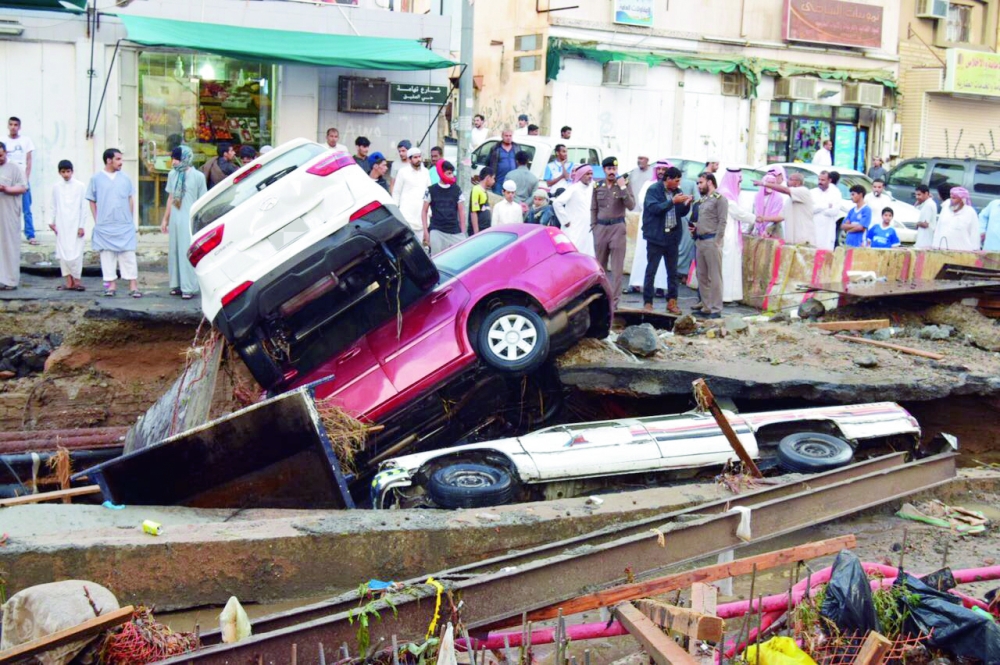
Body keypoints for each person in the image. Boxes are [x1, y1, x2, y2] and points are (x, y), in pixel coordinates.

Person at [87, 148, 140, 298]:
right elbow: (92, 200)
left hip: (124, 223)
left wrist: (130, 219)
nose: (121, 162)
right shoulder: (96, 179)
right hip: (105, 224)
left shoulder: (125, 178)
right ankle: (111, 285)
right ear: (109, 160)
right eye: (118, 159)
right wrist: (97, 220)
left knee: (128, 255)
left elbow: (130, 198)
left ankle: (133, 286)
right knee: (107, 255)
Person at [640, 163, 691, 313]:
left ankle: (672, 301)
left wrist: (686, 204)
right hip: (656, 237)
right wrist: (672, 202)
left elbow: (680, 212)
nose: (678, 184)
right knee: (652, 269)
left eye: (679, 181)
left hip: (672, 237)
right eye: (676, 181)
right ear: (667, 179)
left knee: (672, 272)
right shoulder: (654, 190)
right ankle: (648, 301)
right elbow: (654, 209)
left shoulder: (678, 191)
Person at [160, 145, 206, 298]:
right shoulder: (172, 175)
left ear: (186, 158)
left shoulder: (198, 176)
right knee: (174, 251)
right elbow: (171, 198)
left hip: (189, 218)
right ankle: (176, 284)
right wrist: (165, 219)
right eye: (173, 158)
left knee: (186, 251)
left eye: (177, 159)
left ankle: (189, 287)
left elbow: (202, 201)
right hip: (175, 217)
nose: (174, 162)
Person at [591, 156, 635, 309]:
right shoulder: (598, 185)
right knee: (600, 266)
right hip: (601, 228)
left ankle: (614, 302)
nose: (612, 172)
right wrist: (594, 226)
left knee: (617, 268)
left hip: (617, 227)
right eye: (609, 169)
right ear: (604, 170)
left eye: (614, 169)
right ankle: (600, 299)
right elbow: (594, 208)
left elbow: (631, 205)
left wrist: (623, 188)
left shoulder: (624, 184)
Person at [629, 160, 670, 294]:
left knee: (662, 256)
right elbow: (642, 202)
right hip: (648, 223)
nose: (661, 172)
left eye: (664, 169)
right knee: (642, 254)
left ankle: (659, 286)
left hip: (664, 225)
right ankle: (637, 283)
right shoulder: (648, 184)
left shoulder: (670, 187)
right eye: (659, 169)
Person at [691, 173, 728, 319]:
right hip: (700, 241)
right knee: (702, 276)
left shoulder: (720, 200)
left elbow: (722, 221)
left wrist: (717, 241)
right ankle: (706, 307)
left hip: (712, 241)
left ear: (710, 182)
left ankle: (716, 308)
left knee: (715, 276)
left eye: (701, 183)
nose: (699, 186)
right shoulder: (703, 200)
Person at [717, 168, 755, 304]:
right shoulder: (725, 195)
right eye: (738, 181)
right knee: (726, 266)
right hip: (726, 235)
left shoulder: (728, 194)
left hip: (730, 233)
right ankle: (724, 296)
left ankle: (729, 296)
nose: (739, 184)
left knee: (731, 265)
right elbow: (739, 213)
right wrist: (756, 218)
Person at [49, 159, 89, 291]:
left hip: (76, 224)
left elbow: (84, 207)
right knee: (63, 253)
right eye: (63, 172)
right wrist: (52, 222)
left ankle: (77, 282)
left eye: (68, 171)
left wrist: (82, 225)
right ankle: (69, 282)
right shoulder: (56, 187)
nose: (66, 174)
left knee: (76, 253)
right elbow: (53, 206)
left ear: (72, 171)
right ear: (59, 173)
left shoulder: (80, 186)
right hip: (62, 224)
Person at [755, 172, 816, 246]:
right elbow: (780, 217)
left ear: (797, 182)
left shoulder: (804, 191)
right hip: (791, 241)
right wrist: (763, 218)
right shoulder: (789, 200)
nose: (787, 181)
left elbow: (785, 190)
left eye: (790, 179)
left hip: (804, 239)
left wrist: (764, 184)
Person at [421, 160, 466, 255]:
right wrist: (426, 232)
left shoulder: (457, 190)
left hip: (454, 231)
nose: (451, 176)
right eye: (448, 173)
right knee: (437, 260)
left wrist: (463, 232)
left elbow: (461, 212)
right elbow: (424, 211)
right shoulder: (431, 190)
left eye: (452, 173)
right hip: (437, 230)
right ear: (441, 173)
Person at [0, 142, 28, 290]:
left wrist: (7, 189)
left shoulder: (15, 168)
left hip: (9, 212)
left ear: (6, 153)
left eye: (1, 155)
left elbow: (23, 187)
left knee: (9, 245)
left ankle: (10, 280)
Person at [552, 165, 595, 256]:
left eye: (591, 174)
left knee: (588, 253)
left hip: (587, 228)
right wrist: (565, 220)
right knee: (574, 252)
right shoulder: (574, 188)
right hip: (574, 227)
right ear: (581, 175)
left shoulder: (592, 187)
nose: (590, 176)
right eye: (587, 174)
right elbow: (557, 203)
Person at [6, 117, 37, 244]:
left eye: (16, 125)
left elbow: (29, 161)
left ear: (19, 127)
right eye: (11, 124)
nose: (13, 127)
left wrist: (26, 178)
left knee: (26, 208)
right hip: (7, 178)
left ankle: (30, 235)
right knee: (6, 208)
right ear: (8, 126)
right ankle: (8, 235)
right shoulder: (3, 140)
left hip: (22, 179)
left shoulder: (26, 141)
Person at [392, 146, 431, 235]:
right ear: (409, 160)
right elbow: (396, 192)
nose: (418, 159)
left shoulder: (425, 172)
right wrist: (396, 211)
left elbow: (429, 192)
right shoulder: (402, 172)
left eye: (419, 157)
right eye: (415, 157)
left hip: (421, 214)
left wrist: (430, 211)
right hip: (406, 214)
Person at [811, 170, 842, 251]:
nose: (820, 182)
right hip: (814, 228)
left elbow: (834, 211)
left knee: (826, 253)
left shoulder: (835, 193)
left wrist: (819, 208)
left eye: (823, 180)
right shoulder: (812, 192)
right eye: (819, 179)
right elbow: (810, 209)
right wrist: (826, 205)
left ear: (829, 180)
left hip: (828, 230)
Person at [752, 174, 785, 238]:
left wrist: (767, 230)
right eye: (768, 183)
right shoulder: (757, 196)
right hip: (759, 231)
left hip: (773, 231)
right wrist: (750, 230)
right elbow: (754, 214)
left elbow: (776, 216)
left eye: (773, 183)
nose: (770, 185)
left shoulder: (778, 198)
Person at [469, 167, 494, 235]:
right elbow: (474, 212)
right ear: (488, 178)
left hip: (484, 230)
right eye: (493, 178)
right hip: (479, 231)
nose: (494, 181)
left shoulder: (484, 191)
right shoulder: (476, 190)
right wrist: (476, 232)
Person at [914, 184, 938, 249]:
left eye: (919, 195)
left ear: (926, 193)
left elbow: (925, 224)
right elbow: (915, 207)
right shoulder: (926, 203)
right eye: (916, 195)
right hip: (923, 239)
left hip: (925, 240)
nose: (917, 197)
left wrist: (918, 223)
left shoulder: (929, 205)